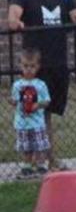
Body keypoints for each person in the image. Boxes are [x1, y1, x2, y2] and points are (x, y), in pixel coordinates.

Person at [7, 0, 76, 170]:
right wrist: (15, 21)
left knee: (49, 112)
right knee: (35, 112)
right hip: (35, 66)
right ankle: (37, 161)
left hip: (58, 63)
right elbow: (13, 15)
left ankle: (48, 160)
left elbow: (75, 12)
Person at [9, 48, 51, 180]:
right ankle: (27, 166)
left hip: (37, 122)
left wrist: (37, 104)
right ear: (20, 66)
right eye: (25, 66)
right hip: (22, 123)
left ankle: (40, 165)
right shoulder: (17, 85)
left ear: (37, 67)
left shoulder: (40, 85)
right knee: (26, 147)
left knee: (39, 145)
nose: (28, 69)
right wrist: (13, 102)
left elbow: (47, 101)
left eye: (32, 66)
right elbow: (16, 101)